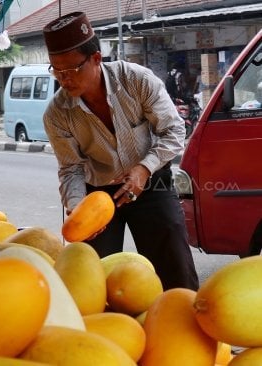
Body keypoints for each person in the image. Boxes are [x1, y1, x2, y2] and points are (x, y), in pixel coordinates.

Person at [42, 12, 199, 290]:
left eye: (71, 70)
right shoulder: (57, 113)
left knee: (175, 269)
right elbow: (71, 169)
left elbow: (174, 132)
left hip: (152, 181)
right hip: (97, 192)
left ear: (96, 59)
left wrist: (143, 168)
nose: (64, 79)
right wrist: (78, 208)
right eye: (57, 70)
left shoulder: (136, 80)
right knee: (95, 279)